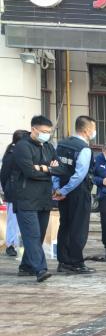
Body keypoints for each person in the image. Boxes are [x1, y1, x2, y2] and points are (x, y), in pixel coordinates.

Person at [9, 116, 56, 282]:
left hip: (44, 198)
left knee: (39, 235)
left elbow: (60, 169)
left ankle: (26, 266)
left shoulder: (49, 146)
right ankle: (40, 269)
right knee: (32, 235)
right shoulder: (22, 147)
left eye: (49, 132)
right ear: (33, 129)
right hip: (26, 198)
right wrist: (48, 170)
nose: (46, 134)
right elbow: (29, 172)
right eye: (43, 131)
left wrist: (43, 168)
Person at [51, 115, 97, 275]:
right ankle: (76, 262)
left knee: (65, 226)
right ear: (86, 130)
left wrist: (58, 189)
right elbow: (79, 175)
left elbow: (55, 168)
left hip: (63, 191)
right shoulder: (84, 149)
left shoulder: (61, 144)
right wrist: (64, 190)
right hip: (77, 192)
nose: (94, 132)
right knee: (78, 228)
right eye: (93, 129)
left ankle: (63, 261)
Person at [1, 130, 29, 258]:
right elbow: (4, 174)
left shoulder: (18, 152)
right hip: (13, 191)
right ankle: (11, 244)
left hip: (20, 191)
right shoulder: (11, 154)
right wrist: (6, 189)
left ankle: (17, 243)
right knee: (13, 220)